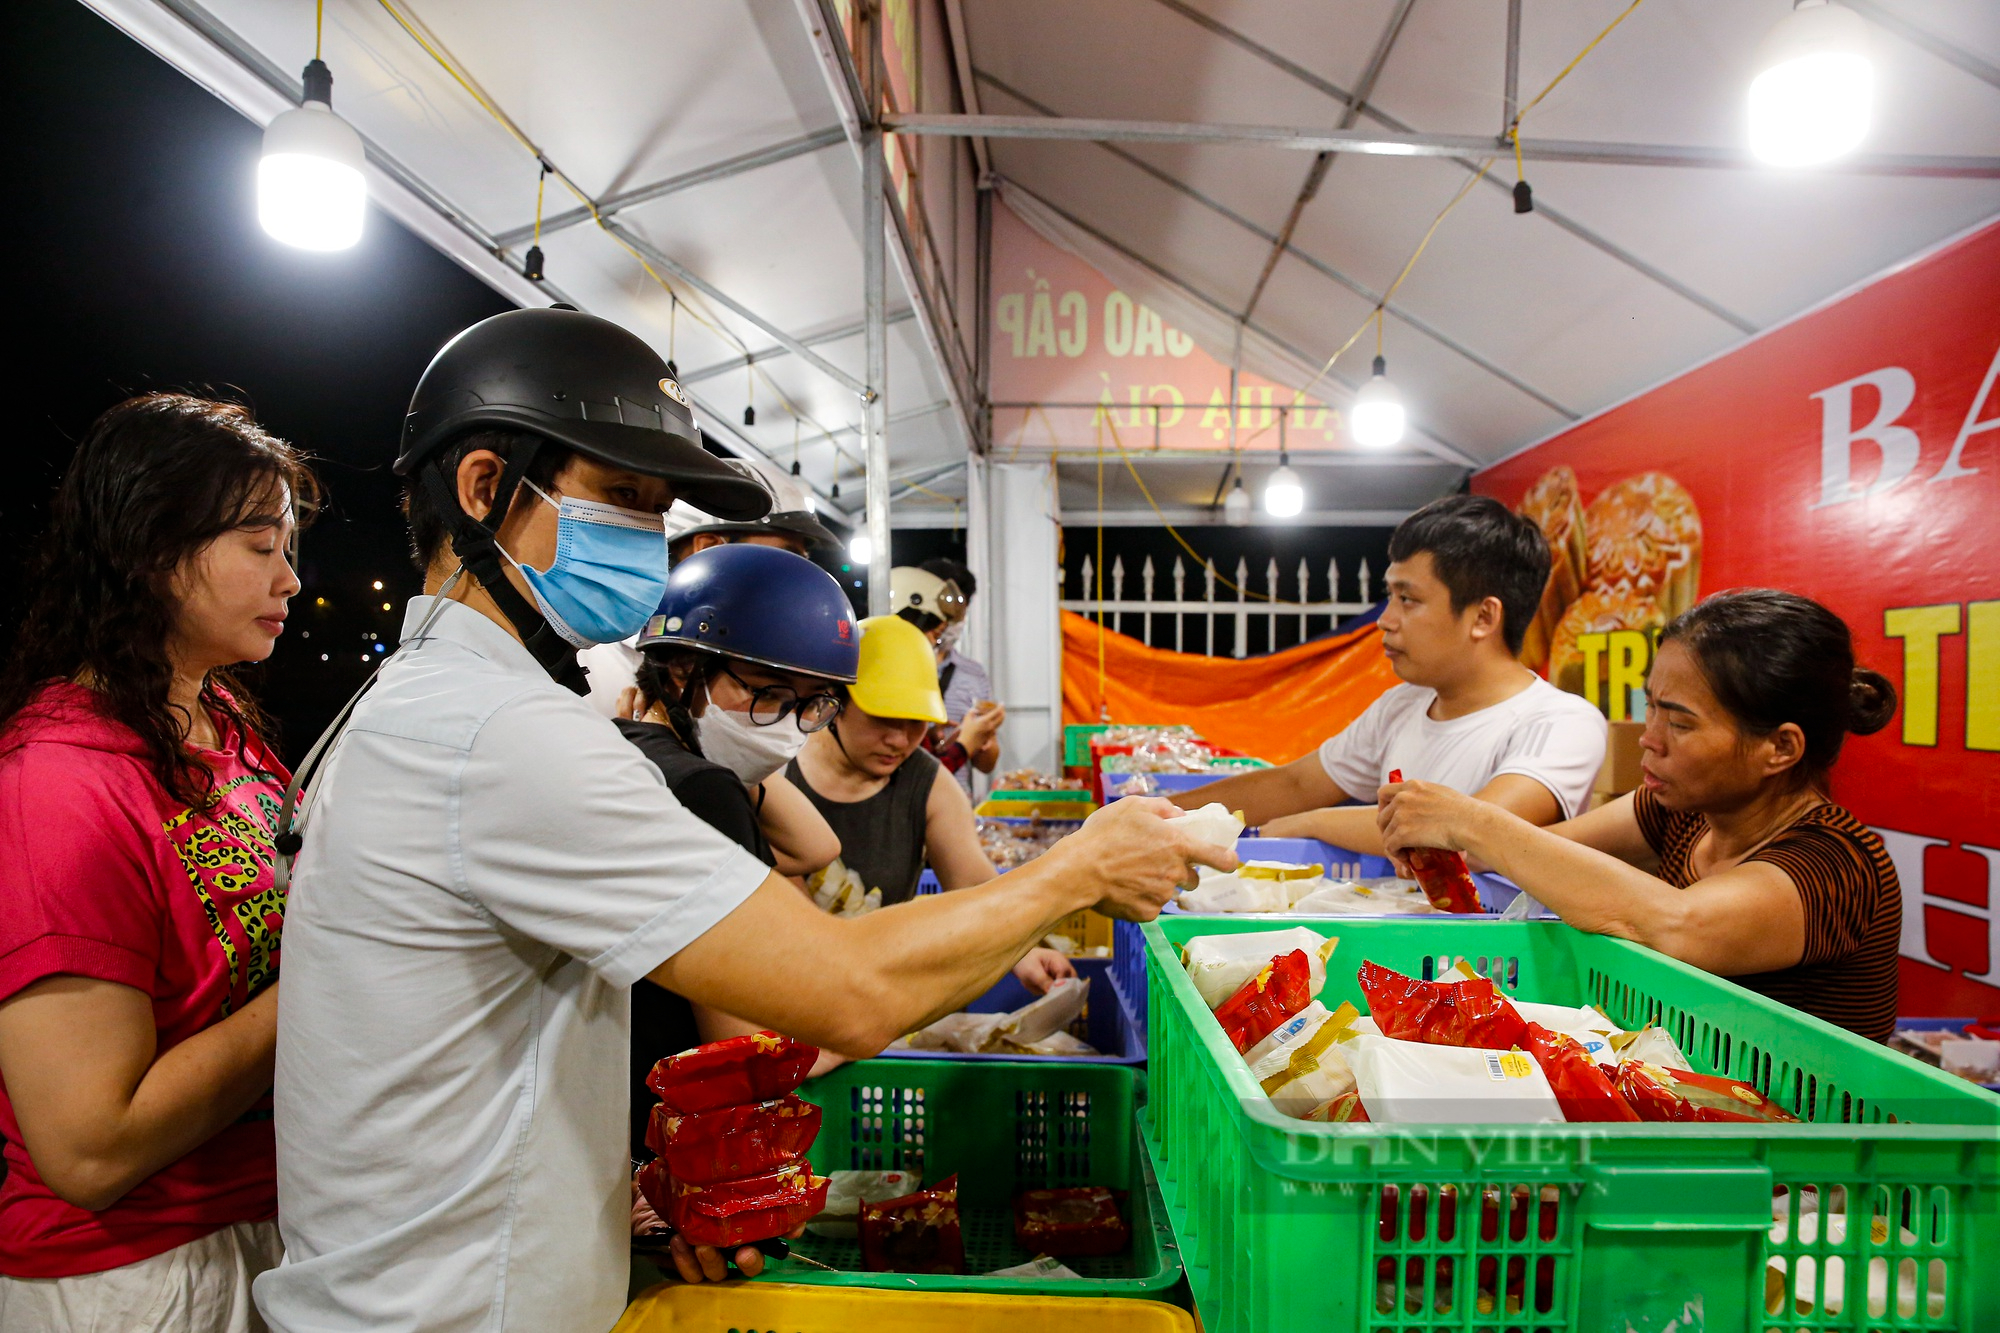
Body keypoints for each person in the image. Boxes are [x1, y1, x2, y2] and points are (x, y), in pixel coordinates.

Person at [257, 308, 1227, 1333]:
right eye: (620, 498)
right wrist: (1077, 869)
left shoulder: (407, 705)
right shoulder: (502, 736)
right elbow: (845, 995)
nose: (645, 536)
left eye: (656, 509)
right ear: (486, 487)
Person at [0, 395, 315, 1331]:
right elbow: (89, 1148)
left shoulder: (227, 729)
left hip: (264, 1227)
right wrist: (330, 965)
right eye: (261, 545)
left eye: (288, 547)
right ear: (149, 549)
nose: (290, 579)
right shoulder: (57, 782)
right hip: (136, 1275)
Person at [1378, 588, 1902, 1040]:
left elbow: (1676, 925)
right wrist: (1438, 835)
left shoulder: (1838, 864)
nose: (1649, 740)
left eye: (1680, 723)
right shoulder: (1683, 810)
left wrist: (1474, 821)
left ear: (1780, 748)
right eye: (1650, 707)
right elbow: (1543, 853)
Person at [1175, 495, 1607, 854]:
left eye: (1409, 599)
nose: (1386, 619)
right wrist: (1162, 813)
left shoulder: (1561, 722)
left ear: (1483, 617)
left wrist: (1314, 822)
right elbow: (1297, 782)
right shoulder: (1402, 706)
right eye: (1390, 595)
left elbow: (1471, 834)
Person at [611, 541, 858, 1155]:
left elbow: (815, 846)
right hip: (669, 1142)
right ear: (680, 671)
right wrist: (841, 1042)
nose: (783, 726)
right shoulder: (703, 791)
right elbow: (741, 1056)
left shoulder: (634, 753)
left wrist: (734, 754)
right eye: (767, 694)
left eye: (811, 704)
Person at [582, 458, 842, 721]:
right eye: (789, 558)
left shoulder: (759, 668)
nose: (802, 579)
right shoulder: (593, 660)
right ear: (708, 548)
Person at [919, 556, 1004, 793]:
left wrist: (984, 735)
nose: (950, 622)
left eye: (960, 610)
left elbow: (987, 764)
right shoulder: (897, 669)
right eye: (947, 608)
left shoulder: (973, 673)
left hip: (957, 804)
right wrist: (965, 744)